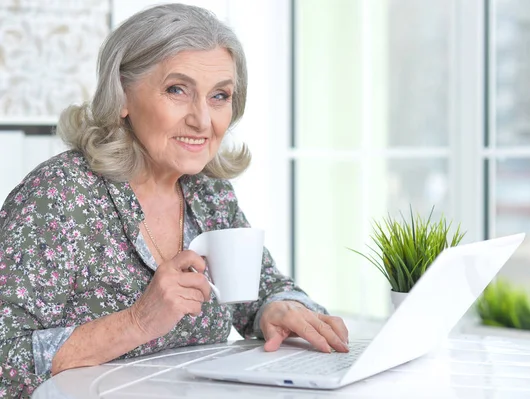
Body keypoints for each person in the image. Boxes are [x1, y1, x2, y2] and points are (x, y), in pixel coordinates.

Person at [0, 4, 349, 397]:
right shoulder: (59, 195)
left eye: (219, 96)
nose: (202, 120)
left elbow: (264, 289)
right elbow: (3, 355)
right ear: (122, 97)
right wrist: (137, 321)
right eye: (177, 90)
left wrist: (278, 308)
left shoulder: (208, 191)